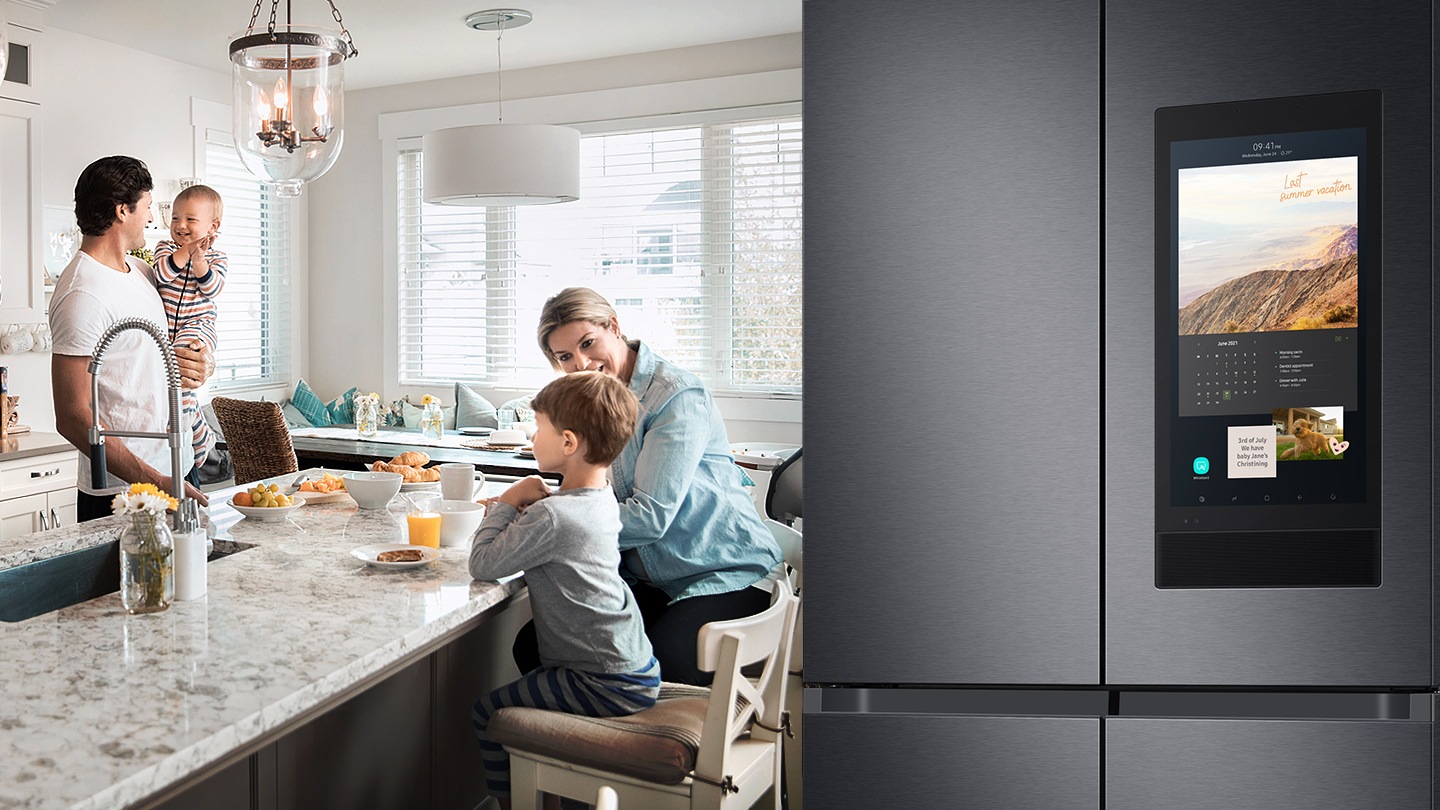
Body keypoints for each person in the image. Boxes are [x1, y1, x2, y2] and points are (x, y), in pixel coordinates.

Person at [515, 286, 784, 685]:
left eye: (588, 344)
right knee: (536, 645)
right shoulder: (593, 401)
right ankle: (592, 743)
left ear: (615, 327)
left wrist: (549, 516)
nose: (583, 364)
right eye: (565, 357)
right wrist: (544, 503)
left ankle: (652, 742)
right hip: (657, 582)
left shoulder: (675, 397)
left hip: (729, 574)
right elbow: (593, 496)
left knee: (651, 670)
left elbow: (650, 517)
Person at [469, 371, 659, 810]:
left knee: (489, 713)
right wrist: (535, 504)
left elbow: (483, 564)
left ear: (569, 443)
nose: (533, 437)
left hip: (599, 681)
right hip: (633, 666)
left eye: (538, 429)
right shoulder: (600, 498)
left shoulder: (553, 517)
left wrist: (505, 503)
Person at [50, 156, 215, 521]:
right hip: (126, 490)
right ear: (123, 210)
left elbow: (177, 334)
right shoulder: (82, 294)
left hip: (177, 466)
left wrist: (203, 362)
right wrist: (153, 480)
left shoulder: (141, 271)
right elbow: (74, 417)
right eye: (148, 207)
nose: (154, 219)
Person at [151, 184, 228, 481]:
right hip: (167, 328)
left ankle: (192, 438)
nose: (180, 225)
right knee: (181, 394)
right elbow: (161, 275)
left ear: (213, 227)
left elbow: (212, 288)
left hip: (198, 327)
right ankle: (200, 437)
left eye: (190, 220)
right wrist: (185, 251)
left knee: (181, 376)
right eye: (175, 218)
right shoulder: (164, 249)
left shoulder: (217, 258)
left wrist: (199, 260)